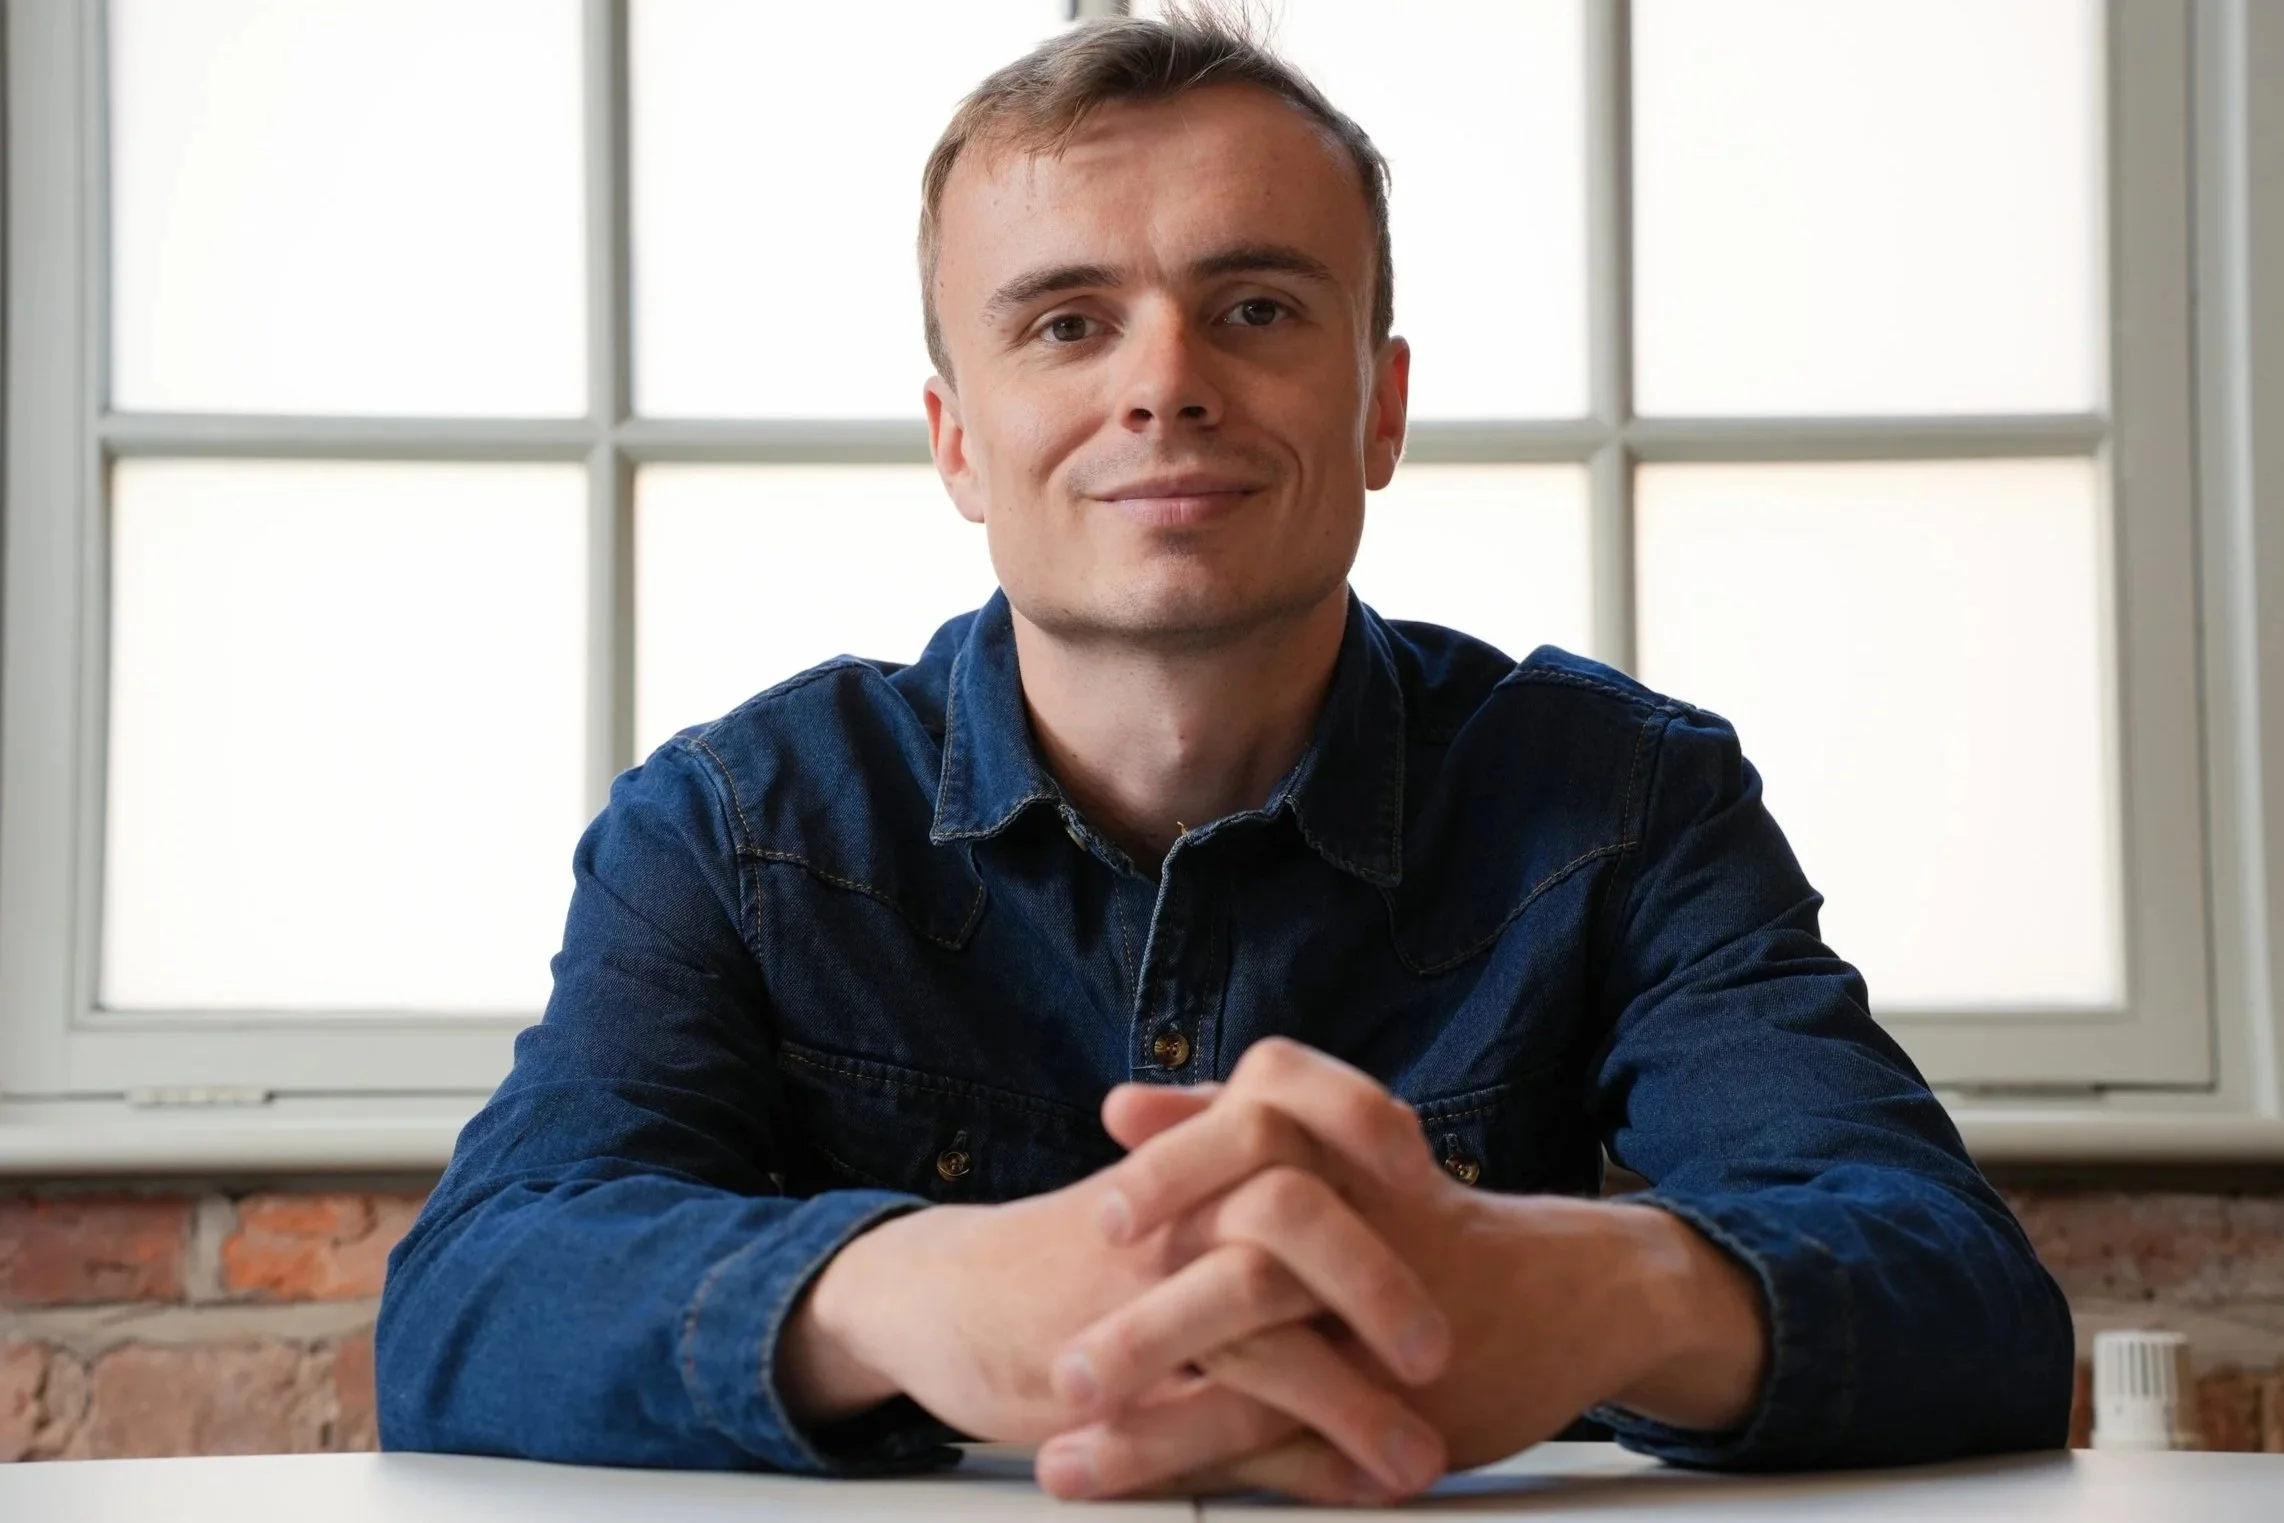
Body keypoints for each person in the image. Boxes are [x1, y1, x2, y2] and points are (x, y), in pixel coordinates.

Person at [375, 11, 2073, 1506]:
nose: (1165, 385)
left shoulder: (1625, 801)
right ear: (958, 437)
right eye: (1064, 324)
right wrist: (913, 1291)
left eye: (1255, 306)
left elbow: (1971, 1300)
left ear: (1380, 408)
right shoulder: (736, 822)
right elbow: (465, 1305)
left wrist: (1586, 1291)